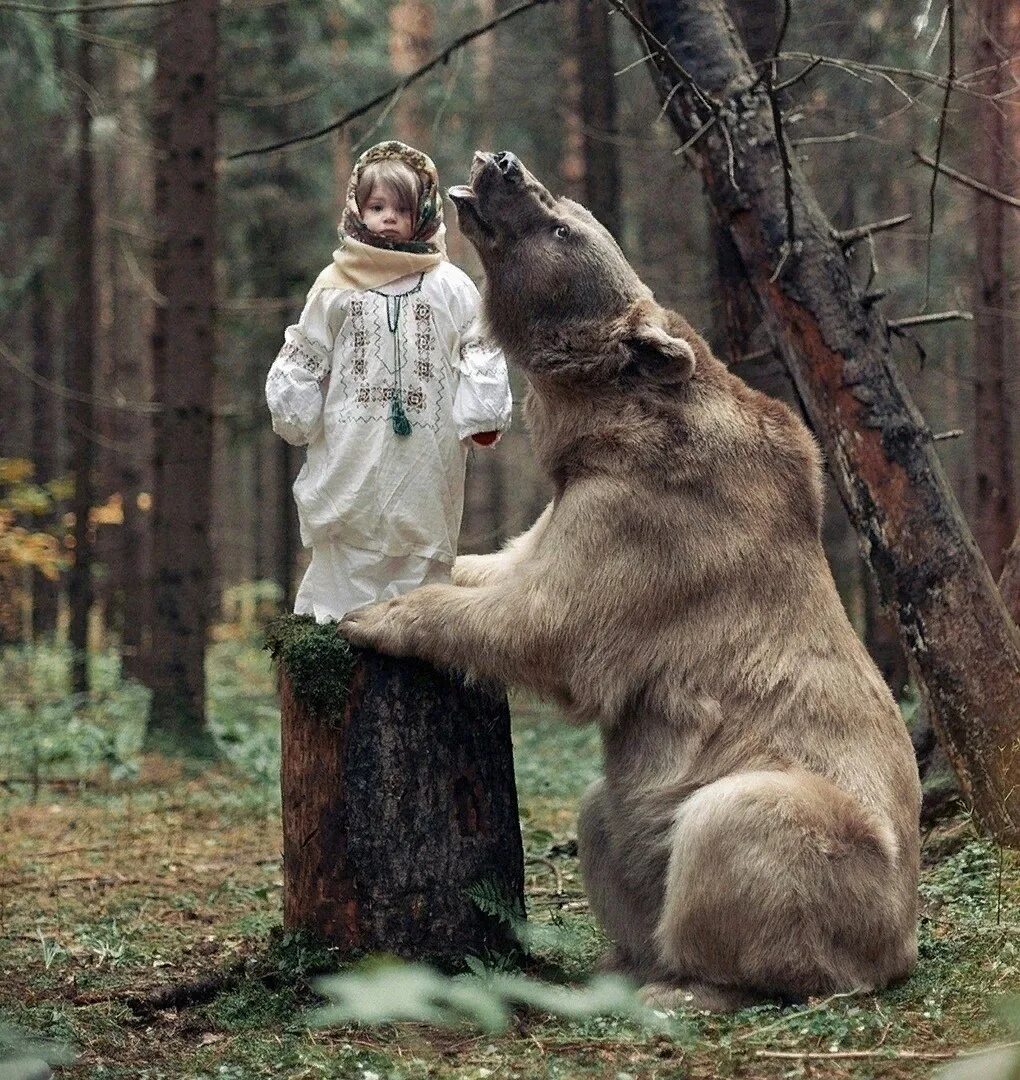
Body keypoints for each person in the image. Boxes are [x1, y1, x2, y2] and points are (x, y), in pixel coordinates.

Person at [266, 141, 512, 623]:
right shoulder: (334, 284)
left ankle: (415, 629)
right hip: (349, 443)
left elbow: (479, 345)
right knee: (349, 528)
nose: (388, 219)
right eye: (377, 207)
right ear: (358, 209)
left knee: (419, 535)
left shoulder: (451, 285)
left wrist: (481, 414)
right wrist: (295, 409)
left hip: (427, 446)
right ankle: (339, 629)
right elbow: (305, 351)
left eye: (401, 209)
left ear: (422, 212)